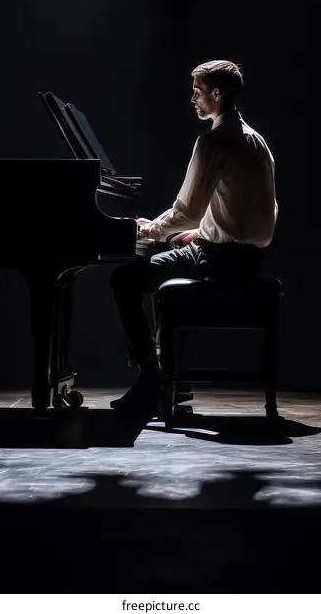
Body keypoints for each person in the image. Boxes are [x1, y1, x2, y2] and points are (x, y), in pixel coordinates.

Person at [110, 59, 278, 410]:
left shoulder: (213, 141)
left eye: (197, 92)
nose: (193, 99)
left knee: (126, 277)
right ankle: (174, 379)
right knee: (161, 266)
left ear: (217, 94)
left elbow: (186, 211)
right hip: (249, 259)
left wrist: (151, 229)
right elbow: (247, 210)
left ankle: (150, 378)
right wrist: (200, 231)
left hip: (216, 259)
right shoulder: (257, 141)